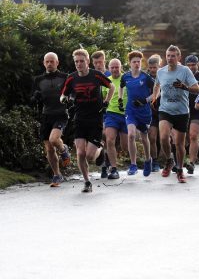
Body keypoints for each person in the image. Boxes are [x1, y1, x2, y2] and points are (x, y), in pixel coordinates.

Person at [60, 49, 114, 193]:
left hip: (95, 118)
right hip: (79, 118)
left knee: (90, 156)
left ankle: (100, 151)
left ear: (87, 62)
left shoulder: (96, 75)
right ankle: (87, 181)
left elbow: (112, 86)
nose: (78, 64)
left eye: (81, 61)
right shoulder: (71, 78)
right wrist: (64, 100)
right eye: (76, 61)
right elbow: (63, 95)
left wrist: (106, 102)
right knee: (80, 152)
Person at [151, 45, 199, 183]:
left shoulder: (185, 71)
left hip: (182, 112)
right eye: (168, 55)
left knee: (179, 144)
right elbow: (157, 85)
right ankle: (169, 160)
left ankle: (179, 169)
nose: (170, 58)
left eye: (173, 56)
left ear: (179, 57)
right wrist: (155, 97)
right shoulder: (161, 72)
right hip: (165, 110)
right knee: (163, 137)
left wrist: (185, 87)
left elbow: (197, 89)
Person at [31, 52, 71, 187]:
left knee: (54, 140)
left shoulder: (65, 77)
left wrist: (70, 99)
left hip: (61, 114)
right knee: (48, 148)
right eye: (47, 61)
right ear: (43, 63)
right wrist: (35, 97)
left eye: (52, 61)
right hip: (46, 115)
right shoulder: (38, 80)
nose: (49, 64)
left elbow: (73, 94)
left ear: (57, 63)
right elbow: (33, 97)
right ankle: (57, 175)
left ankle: (64, 149)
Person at [119, 51, 155, 177]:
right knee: (131, 135)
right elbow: (121, 87)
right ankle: (133, 165)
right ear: (130, 63)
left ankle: (147, 160)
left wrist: (145, 100)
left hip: (144, 112)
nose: (136, 64)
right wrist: (120, 98)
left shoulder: (146, 77)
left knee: (145, 138)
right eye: (134, 62)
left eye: (138, 62)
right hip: (130, 110)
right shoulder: (125, 77)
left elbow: (157, 92)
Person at [102, 58, 128, 179]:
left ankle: (130, 159)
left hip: (126, 115)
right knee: (110, 140)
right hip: (111, 114)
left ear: (120, 67)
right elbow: (103, 99)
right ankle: (113, 169)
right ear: (108, 68)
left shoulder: (127, 79)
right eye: (112, 67)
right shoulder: (106, 81)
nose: (114, 69)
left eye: (116, 67)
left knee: (125, 146)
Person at [184, 55, 199, 175]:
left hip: (197, 111)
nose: (191, 67)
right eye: (188, 65)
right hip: (183, 110)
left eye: (193, 65)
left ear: (197, 65)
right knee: (186, 139)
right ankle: (198, 148)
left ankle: (192, 163)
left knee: (193, 135)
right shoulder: (181, 76)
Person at [147, 54, 162, 171]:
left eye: (155, 68)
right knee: (152, 137)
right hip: (151, 112)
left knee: (164, 138)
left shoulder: (164, 76)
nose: (152, 70)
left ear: (159, 66)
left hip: (164, 111)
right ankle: (154, 161)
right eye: (150, 67)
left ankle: (169, 159)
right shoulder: (145, 77)